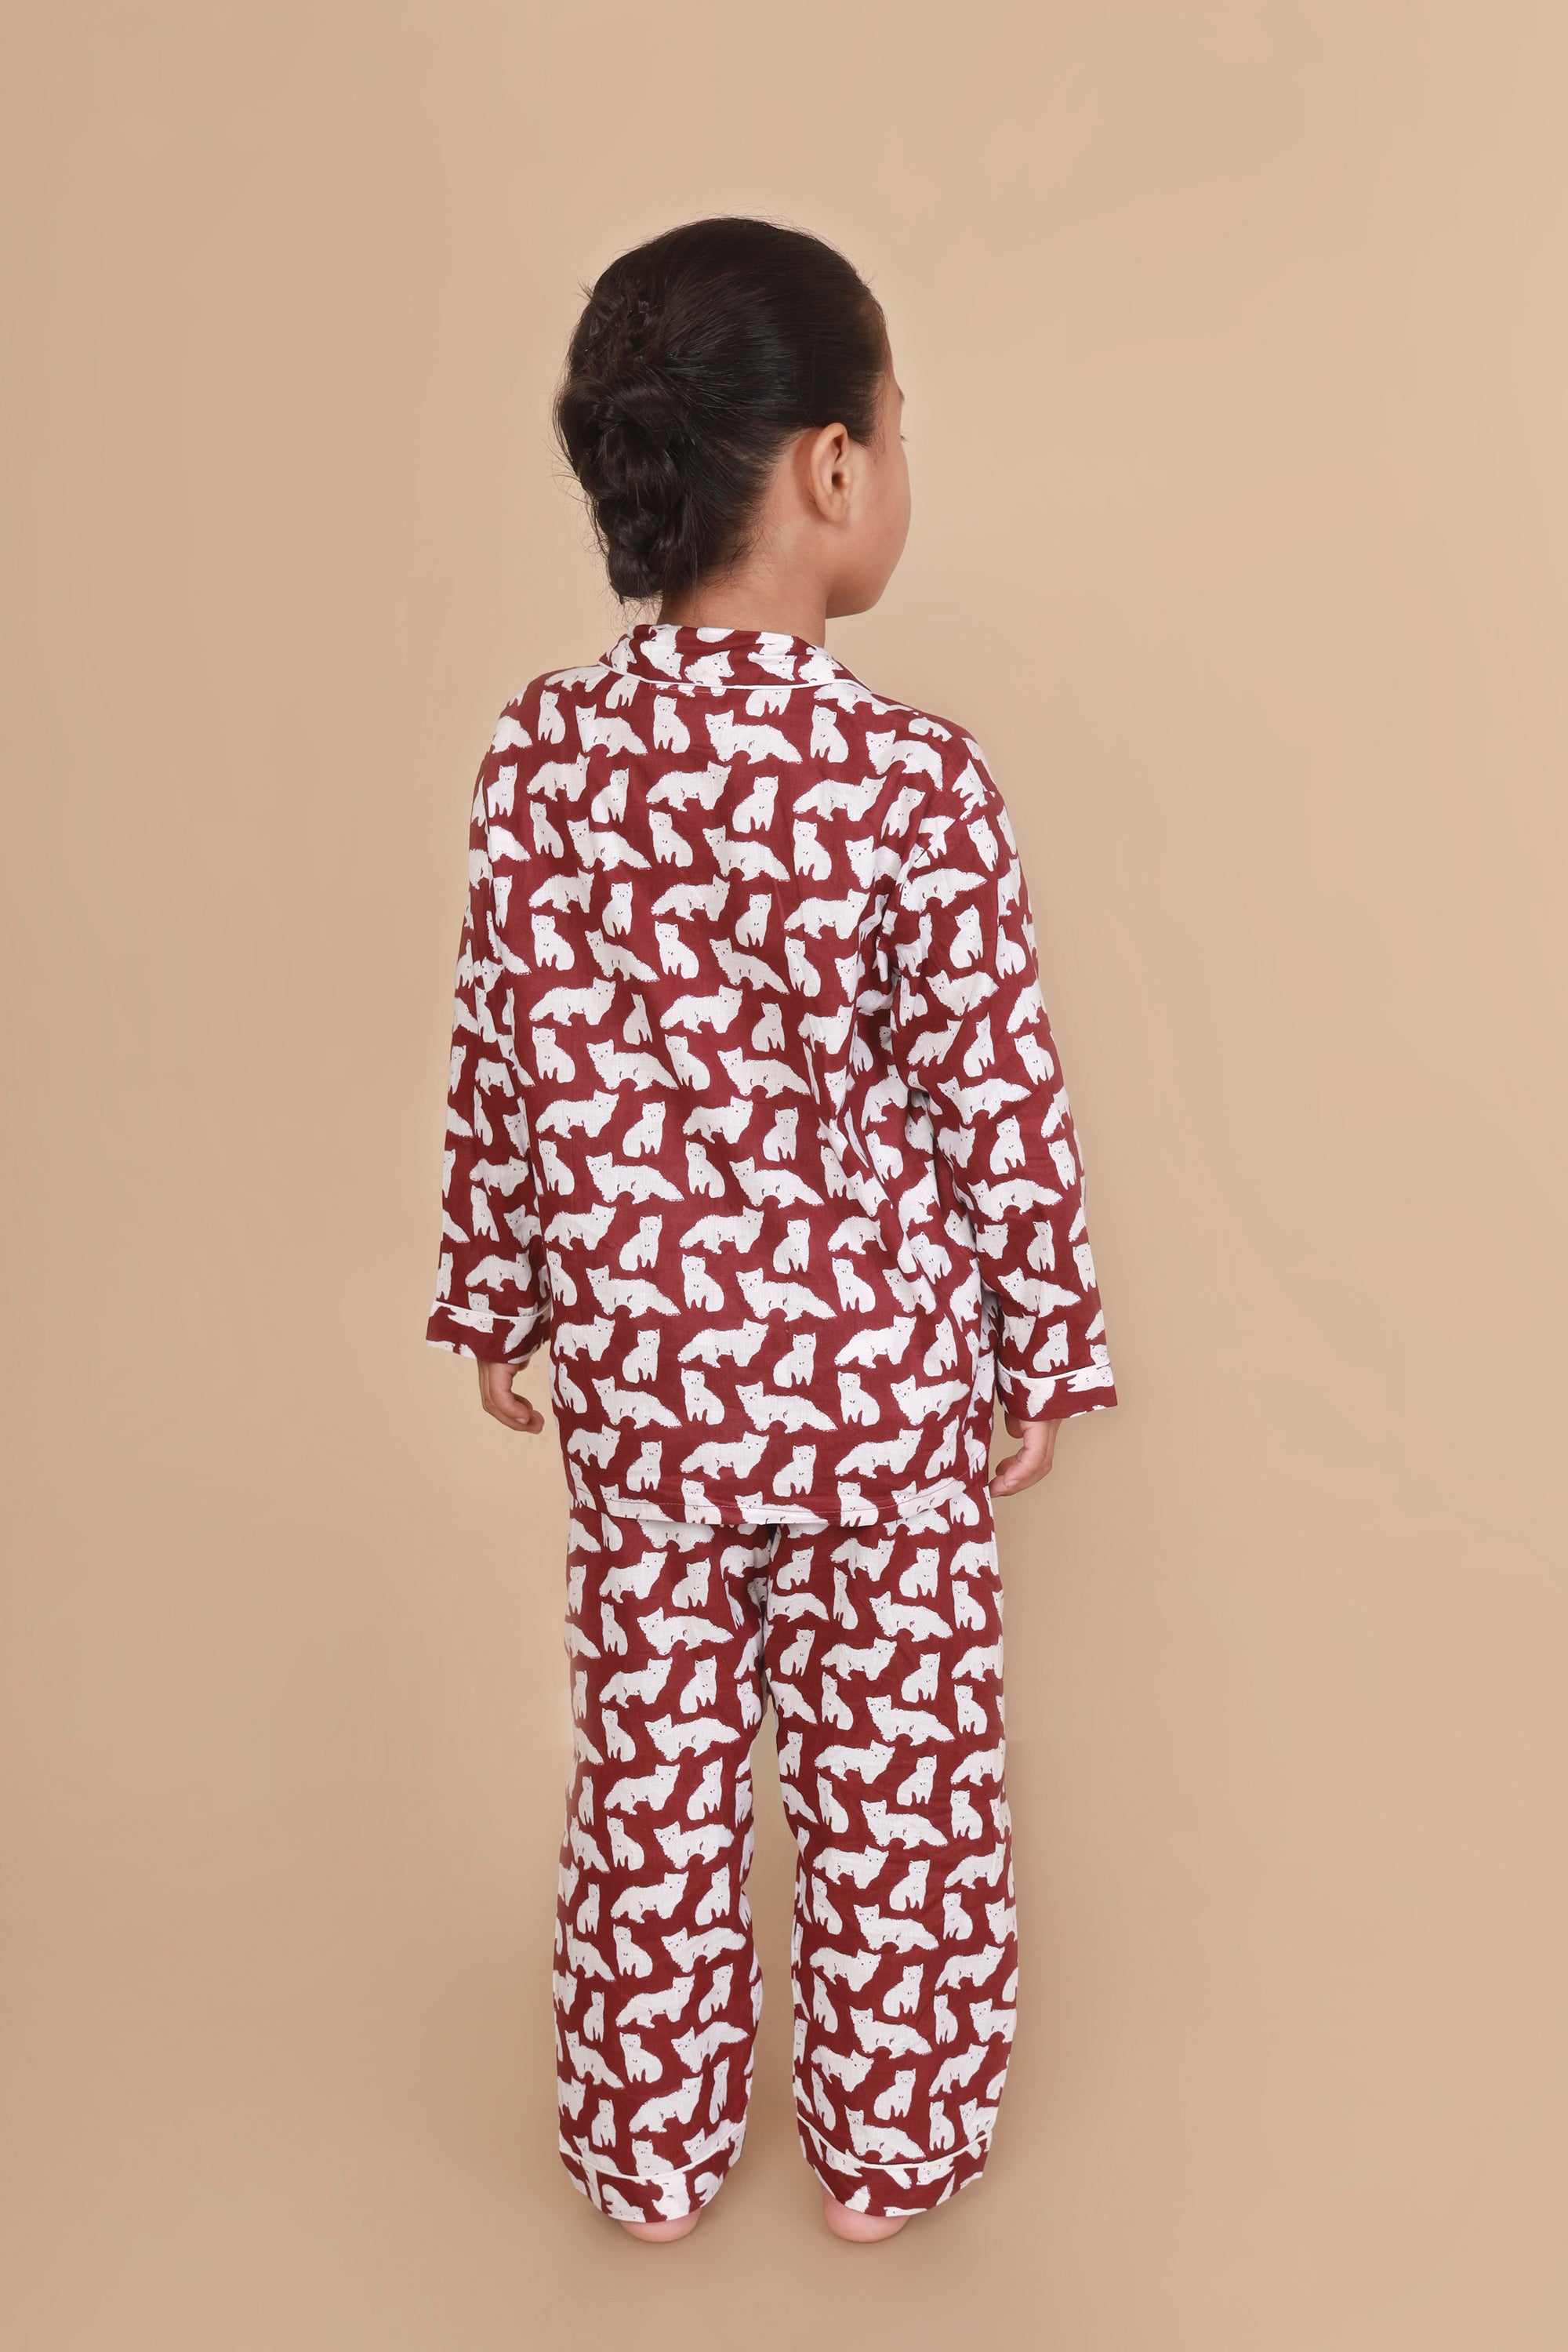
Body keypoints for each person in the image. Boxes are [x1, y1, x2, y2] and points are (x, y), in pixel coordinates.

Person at [425, 215, 1117, 2245]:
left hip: (650, 1385)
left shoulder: (544, 759)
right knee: (900, 1784)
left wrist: (501, 1289)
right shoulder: (913, 783)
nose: (898, 468)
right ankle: (889, 2152)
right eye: (897, 431)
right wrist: (1043, 1341)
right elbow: (994, 1097)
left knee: (653, 1773)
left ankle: (646, 2156)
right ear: (830, 467)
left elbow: (502, 1043)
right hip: (877, 1392)